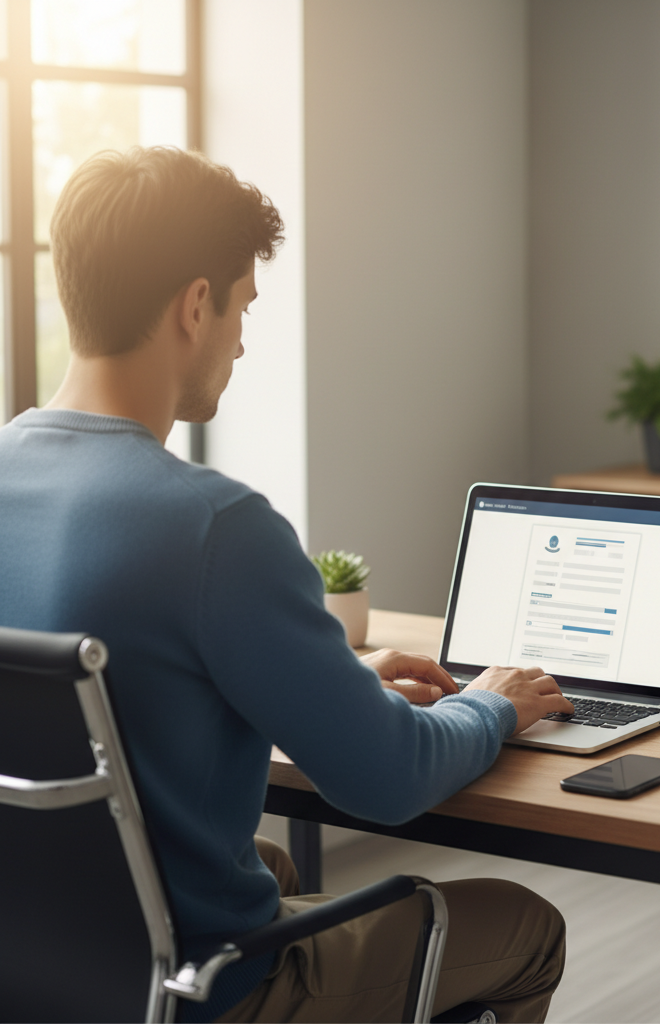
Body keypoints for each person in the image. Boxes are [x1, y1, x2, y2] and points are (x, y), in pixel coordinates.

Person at [0, 146, 573, 1023]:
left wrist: (340, 682)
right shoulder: (213, 526)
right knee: (528, 927)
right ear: (196, 305)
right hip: (192, 990)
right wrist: (490, 702)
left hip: (38, 961)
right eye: (242, 309)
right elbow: (387, 779)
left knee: (270, 867)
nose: (241, 340)